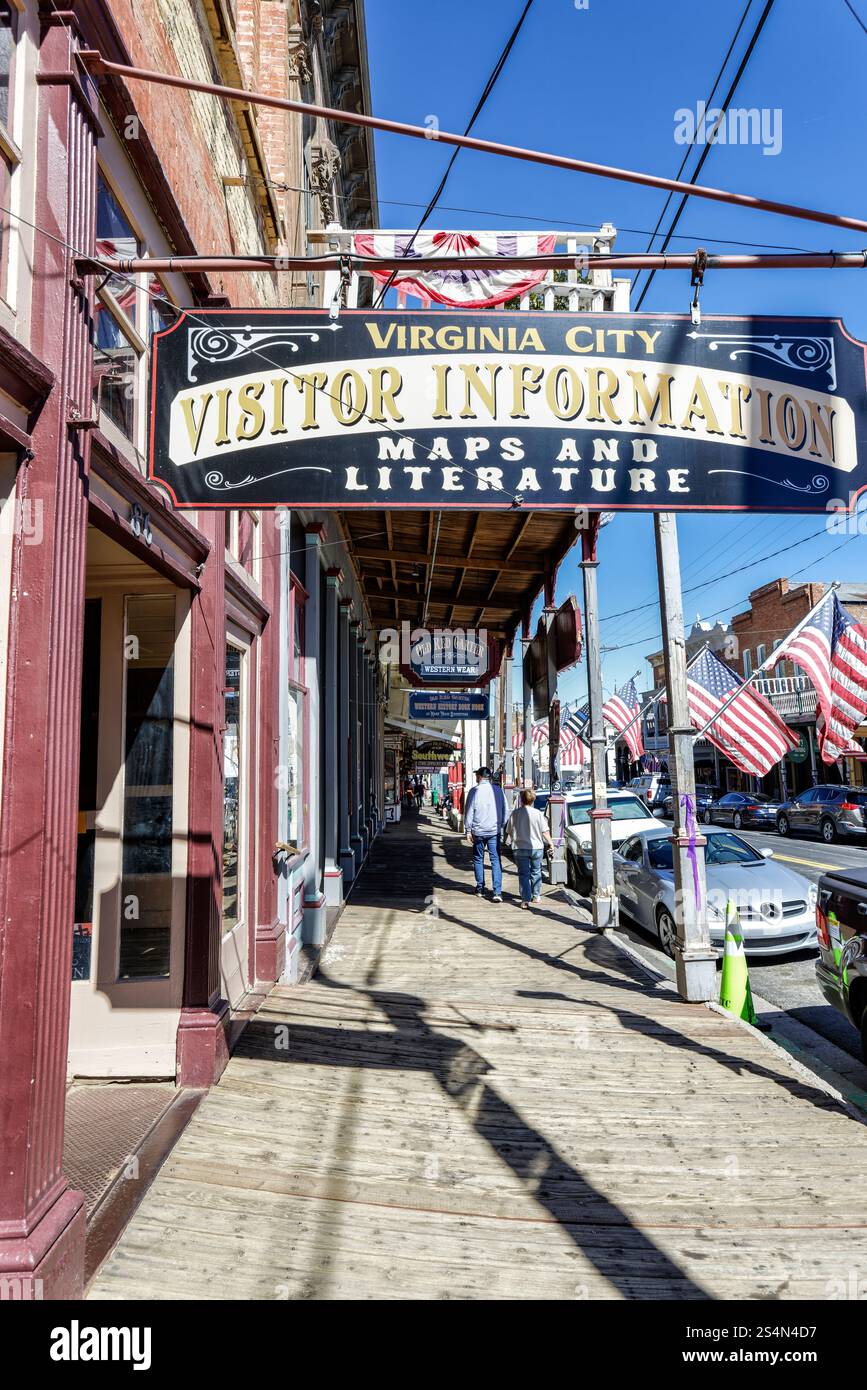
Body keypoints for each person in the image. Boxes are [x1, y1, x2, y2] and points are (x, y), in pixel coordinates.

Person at [504, 788, 554, 909]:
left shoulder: (515, 814)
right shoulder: (538, 814)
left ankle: (525, 900)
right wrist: (551, 844)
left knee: (523, 874)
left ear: (521, 800)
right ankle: (536, 896)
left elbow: (509, 831)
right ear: (533, 800)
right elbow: (545, 831)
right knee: (536, 871)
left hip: (520, 847)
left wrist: (512, 840)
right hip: (536, 847)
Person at [464, 766, 507, 902]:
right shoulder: (498, 791)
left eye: (477, 775)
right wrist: (501, 825)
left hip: (478, 831)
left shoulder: (474, 791)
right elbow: (506, 810)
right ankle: (497, 892)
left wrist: (468, 830)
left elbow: (470, 811)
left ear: (479, 777)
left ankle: (480, 888)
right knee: (495, 859)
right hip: (494, 830)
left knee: (478, 858)